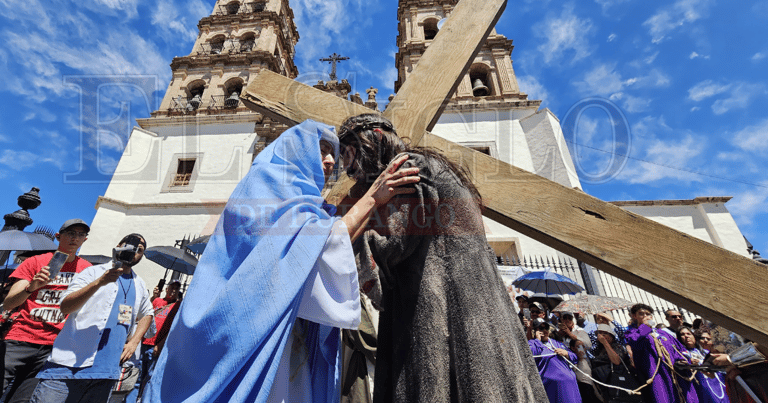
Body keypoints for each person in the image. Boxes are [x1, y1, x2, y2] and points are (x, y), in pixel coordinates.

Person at [144, 120, 421, 403]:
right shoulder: (264, 185)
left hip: (285, 338)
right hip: (241, 329)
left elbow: (319, 247)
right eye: (322, 150)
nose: (329, 162)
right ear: (295, 150)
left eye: (333, 156)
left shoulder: (305, 202)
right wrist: (373, 196)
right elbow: (315, 246)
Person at [338, 113, 548, 402]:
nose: (348, 167)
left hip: (441, 306)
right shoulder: (428, 164)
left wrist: (344, 233)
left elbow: (394, 246)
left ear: (372, 140)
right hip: (477, 303)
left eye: (350, 154)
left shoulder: (407, 168)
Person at [0, 219, 94, 403]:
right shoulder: (36, 261)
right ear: (58, 236)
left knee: (23, 400)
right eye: (70, 233)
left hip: (54, 346)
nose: (75, 238)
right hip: (20, 339)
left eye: (80, 234)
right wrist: (32, 286)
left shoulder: (88, 270)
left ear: (85, 240)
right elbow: (9, 303)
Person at [29, 233, 154, 403]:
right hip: (68, 366)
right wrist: (99, 283)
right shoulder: (93, 272)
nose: (135, 252)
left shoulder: (139, 284)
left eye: (140, 250)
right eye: (131, 246)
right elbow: (65, 306)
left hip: (106, 373)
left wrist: (133, 342)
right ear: (119, 245)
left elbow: (148, 313)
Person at [625, 303, 698, 403]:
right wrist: (646, 327)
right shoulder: (632, 333)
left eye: (648, 314)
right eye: (641, 314)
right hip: (655, 375)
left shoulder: (663, 333)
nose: (646, 316)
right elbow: (634, 341)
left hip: (673, 372)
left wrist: (686, 359)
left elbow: (680, 350)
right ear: (634, 316)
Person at [529, 318, 582, 403]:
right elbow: (531, 355)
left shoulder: (557, 343)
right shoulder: (532, 344)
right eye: (541, 328)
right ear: (535, 331)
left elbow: (575, 358)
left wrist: (566, 353)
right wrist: (537, 340)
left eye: (546, 327)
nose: (545, 330)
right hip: (554, 387)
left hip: (570, 384)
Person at [676, 326, 728, 403]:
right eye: (682, 334)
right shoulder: (682, 354)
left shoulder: (706, 352)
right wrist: (690, 363)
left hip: (718, 382)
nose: (686, 336)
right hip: (702, 385)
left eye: (688, 334)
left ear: (694, 336)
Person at [558, 312, 597, 402]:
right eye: (565, 318)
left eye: (569, 318)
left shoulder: (579, 330)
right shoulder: (559, 334)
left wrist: (570, 334)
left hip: (582, 365)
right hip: (569, 367)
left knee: (587, 390)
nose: (567, 320)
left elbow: (588, 345)